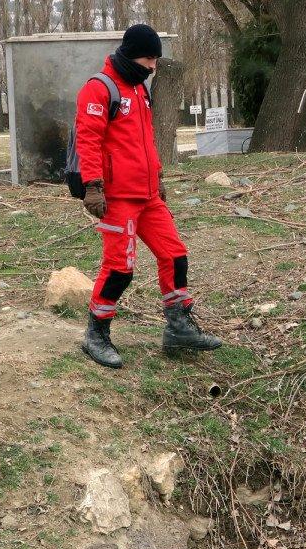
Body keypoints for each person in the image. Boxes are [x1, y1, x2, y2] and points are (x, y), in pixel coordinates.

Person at [74, 23, 221, 368]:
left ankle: (179, 327)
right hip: (117, 198)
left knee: (175, 255)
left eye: (156, 58)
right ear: (129, 53)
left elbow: (146, 140)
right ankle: (96, 333)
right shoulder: (99, 89)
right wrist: (92, 186)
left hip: (148, 195)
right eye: (148, 57)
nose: (153, 65)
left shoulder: (141, 89)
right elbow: (88, 141)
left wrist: (158, 177)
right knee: (120, 269)